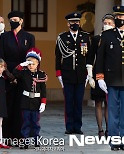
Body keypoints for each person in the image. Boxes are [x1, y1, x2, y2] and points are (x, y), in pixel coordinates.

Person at [0, 11, 35, 139]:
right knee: (8, 106)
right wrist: (9, 75)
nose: (13, 21)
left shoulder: (29, 37)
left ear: (21, 21)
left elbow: (32, 58)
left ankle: (21, 136)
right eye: (11, 20)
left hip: (23, 76)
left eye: (15, 19)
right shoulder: (4, 37)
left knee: (21, 106)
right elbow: (1, 57)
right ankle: (7, 136)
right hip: (8, 76)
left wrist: (21, 74)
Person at [55, 12, 91, 134]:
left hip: (81, 75)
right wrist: (58, 73)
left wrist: (89, 73)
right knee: (69, 101)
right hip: (67, 74)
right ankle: (69, 127)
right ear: (68, 24)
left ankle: (78, 127)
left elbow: (89, 56)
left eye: (76, 22)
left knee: (79, 102)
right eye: (72, 22)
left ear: (79, 23)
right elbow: (58, 57)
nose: (74, 24)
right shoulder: (62, 37)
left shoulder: (85, 37)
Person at [96, 6, 124, 151]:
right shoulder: (107, 36)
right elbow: (100, 58)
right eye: (118, 18)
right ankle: (114, 140)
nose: (120, 20)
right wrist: (100, 77)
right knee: (113, 112)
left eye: (122, 18)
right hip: (112, 80)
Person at [86, 14, 115, 139]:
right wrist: (90, 76)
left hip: (112, 76)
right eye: (105, 22)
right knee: (98, 102)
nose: (107, 24)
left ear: (114, 25)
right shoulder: (97, 39)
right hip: (98, 73)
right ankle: (100, 129)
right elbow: (90, 58)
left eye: (110, 23)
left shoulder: (116, 39)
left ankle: (109, 129)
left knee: (109, 103)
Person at [13, 48, 47, 149]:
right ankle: (25, 140)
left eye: (33, 63)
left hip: (36, 102)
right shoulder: (24, 73)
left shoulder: (41, 75)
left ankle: (36, 140)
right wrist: (21, 65)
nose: (31, 66)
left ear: (38, 64)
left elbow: (43, 90)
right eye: (29, 63)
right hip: (25, 101)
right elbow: (15, 73)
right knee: (26, 122)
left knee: (35, 122)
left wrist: (43, 102)